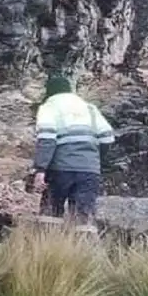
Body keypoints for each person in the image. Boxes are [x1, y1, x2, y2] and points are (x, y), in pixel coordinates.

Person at [32, 75, 115, 225]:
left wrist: (40, 169)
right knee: (83, 216)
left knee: (51, 213)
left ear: (49, 92)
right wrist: (95, 160)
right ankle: (82, 246)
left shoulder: (49, 107)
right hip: (89, 170)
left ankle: (47, 244)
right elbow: (107, 138)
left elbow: (47, 139)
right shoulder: (90, 108)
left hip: (60, 169)